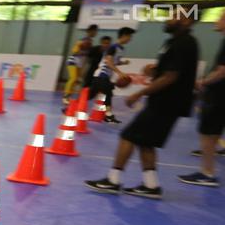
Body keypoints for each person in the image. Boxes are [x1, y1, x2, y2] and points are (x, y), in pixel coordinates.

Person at [85, 16, 198, 200]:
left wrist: (139, 93)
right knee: (145, 142)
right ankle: (151, 185)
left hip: (166, 102)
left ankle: (113, 180)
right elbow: (169, 71)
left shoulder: (184, 43)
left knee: (128, 136)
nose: (169, 19)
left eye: (175, 16)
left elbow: (171, 77)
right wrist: (153, 70)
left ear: (186, 21)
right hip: (166, 102)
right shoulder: (174, 42)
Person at [179, 13, 225, 187]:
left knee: (208, 134)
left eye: (220, 18)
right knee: (212, 135)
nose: (216, 21)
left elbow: (222, 71)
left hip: (218, 96)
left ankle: (207, 173)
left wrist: (203, 82)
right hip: (219, 97)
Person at [89, 26, 133, 124]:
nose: (131, 39)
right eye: (129, 36)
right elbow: (108, 62)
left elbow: (114, 62)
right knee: (108, 91)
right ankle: (108, 115)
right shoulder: (113, 47)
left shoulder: (121, 49)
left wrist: (123, 63)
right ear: (124, 36)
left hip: (105, 76)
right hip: (101, 74)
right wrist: (120, 73)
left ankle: (71, 107)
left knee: (90, 95)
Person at [63, 24, 97, 105]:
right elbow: (74, 51)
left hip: (80, 64)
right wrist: (81, 48)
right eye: (94, 31)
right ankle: (66, 96)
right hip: (73, 61)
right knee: (73, 78)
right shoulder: (82, 41)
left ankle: (69, 96)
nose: (95, 33)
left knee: (77, 81)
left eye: (96, 31)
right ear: (89, 31)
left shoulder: (90, 42)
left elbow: (87, 55)